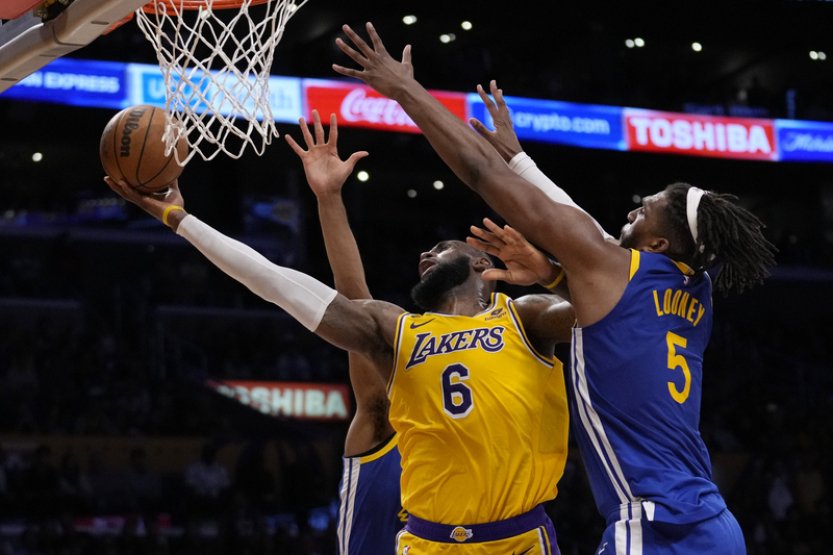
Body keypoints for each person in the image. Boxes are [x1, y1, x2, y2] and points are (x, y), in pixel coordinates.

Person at [331, 22, 777, 554]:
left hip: (657, 525)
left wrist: (405, 90)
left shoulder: (611, 266)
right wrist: (548, 258)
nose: (634, 205)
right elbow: (591, 248)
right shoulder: (695, 289)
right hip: (714, 522)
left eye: (647, 207)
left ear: (657, 244)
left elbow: (481, 174)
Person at [103, 145, 576, 553]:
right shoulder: (397, 330)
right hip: (427, 541)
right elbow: (277, 283)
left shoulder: (525, 315)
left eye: (439, 247)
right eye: (423, 253)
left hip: (518, 538)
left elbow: (610, 298)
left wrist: (550, 270)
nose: (424, 256)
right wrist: (179, 219)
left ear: (480, 261)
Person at [285, 110, 404, 554]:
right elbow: (354, 298)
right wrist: (329, 198)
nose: (428, 255)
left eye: (439, 253)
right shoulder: (386, 416)